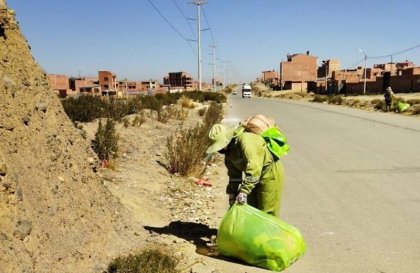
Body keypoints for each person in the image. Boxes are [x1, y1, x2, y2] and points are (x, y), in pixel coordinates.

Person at [206, 123, 284, 217]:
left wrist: (243, 192)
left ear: (227, 140)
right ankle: (256, 232)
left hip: (269, 173)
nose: (220, 150)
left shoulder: (246, 141)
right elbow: (234, 175)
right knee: (254, 211)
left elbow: (254, 169)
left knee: (267, 213)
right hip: (253, 178)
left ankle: (270, 232)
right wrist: (232, 193)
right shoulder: (229, 152)